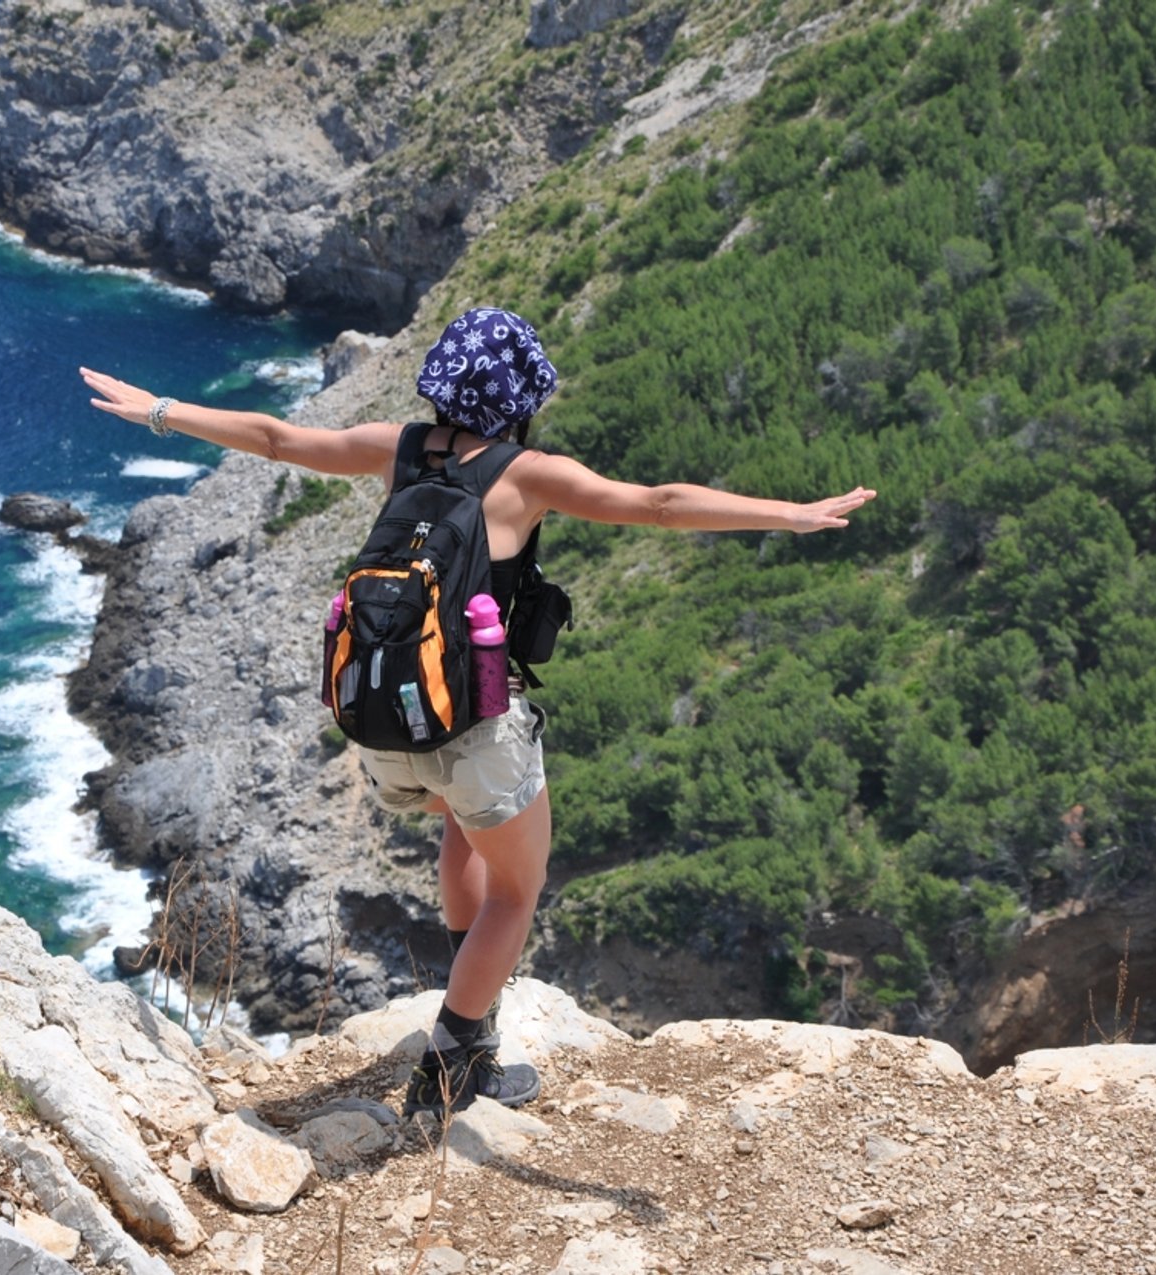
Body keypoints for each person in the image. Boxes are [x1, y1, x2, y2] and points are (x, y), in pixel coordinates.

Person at [81, 307, 876, 1114]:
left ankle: (474, 999)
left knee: (464, 826)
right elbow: (661, 504)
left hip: (390, 726)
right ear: (518, 397)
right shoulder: (524, 474)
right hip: (477, 728)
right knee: (517, 889)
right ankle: (457, 1059)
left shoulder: (394, 448)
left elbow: (278, 437)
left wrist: (159, 409)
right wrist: (790, 513)